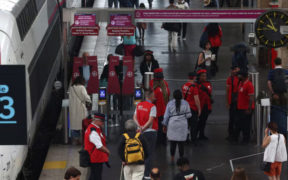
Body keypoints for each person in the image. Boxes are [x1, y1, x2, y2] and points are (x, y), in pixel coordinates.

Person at [133, 90, 157, 179]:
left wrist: (139, 127)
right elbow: (151, 120)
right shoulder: (152, 106)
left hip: (139, 132)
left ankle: (139, 173)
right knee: (149, 154)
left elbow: (134, 117)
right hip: (150, 132)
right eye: (154, 95)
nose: (155, 97)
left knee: (140, 153)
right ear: (150, 96)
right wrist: (144, 128)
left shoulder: (139, 105)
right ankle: (146, 175)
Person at [163, 90, 192, 162]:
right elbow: (189, 115)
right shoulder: (186, 103)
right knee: (181, 143)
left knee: (172, 143)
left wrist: (164, 125)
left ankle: (172, 158)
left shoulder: (170, 103)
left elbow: (166, 116)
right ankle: (181, 158)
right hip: (182, 125)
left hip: (172, 124)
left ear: (173, 96)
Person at [84, 113, 110, 180]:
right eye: (102, 121)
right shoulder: (93, 131)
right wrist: (107, 151)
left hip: (95, 157)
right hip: (95, 158)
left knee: (93, 175)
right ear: (96, 121)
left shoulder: (94, 128)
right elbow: (99, 146)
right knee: (96, 176)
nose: (103, 123)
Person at [267, 57, 288, 139]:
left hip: (275, 95)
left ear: (274, 63)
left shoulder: (272, 72)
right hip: (285, 95)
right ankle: (284, 131)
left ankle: (275, 131)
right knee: (285, 111)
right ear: (281, 63)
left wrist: (273, 93)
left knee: (275, 112)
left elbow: (269, 83)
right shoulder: (286, 71)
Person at [69, 76, 91, 145]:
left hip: (73, 109)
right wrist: (89, 100)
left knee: (75, 125)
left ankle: (76, 140)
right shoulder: (82, 87)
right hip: (80, 108)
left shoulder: (71, 88)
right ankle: (83, 140)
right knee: (82, 124)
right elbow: (85, 96)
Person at [233, 71, 254, 144]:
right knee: (239, 123)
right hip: (240, 107)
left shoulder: (249, 85)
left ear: (244, 77)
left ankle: (246, 139)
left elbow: (251, 98)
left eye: (240, 76)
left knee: (246, 125)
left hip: (246, 108)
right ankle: (236, 138)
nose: (239, 77)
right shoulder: (241, 83)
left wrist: (249, 108)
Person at [182, 72, 201, 144]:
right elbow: (196, 99)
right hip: (192, 108)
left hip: (185, 108)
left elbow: (183, 97)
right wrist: (199, 109)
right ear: (194, 77)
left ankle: (186, 139)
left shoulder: (184, 85)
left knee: (186, 124)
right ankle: (194, 139)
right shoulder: (194, 87)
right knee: (193, 125)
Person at [152, 68, 170, 145]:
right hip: (165, 110)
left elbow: (152, 99)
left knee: (158, 127)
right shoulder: (165, 85)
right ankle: (164, 141)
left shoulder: (155, 88)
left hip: (156, 111)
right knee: (164, 126)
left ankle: (158, 141)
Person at [196, 69, 212, 140]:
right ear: (199, 77)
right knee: (199, 122)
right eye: (203, 76)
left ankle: (201, 135)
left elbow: (209, 93)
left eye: (205, 76)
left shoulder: (208, 84)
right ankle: (195, 134)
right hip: (199, 106)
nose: (204, 77)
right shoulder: (196, 85)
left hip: (206, 106)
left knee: (203, 121)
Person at [226, 66, 240, 141]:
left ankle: (235, 135)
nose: (235, 72)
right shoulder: (230, 79)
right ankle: (231, 134)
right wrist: (228, 103)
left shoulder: (240, 79)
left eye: (236, 70)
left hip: (238, 102)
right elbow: (228, 91)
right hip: (233, 102)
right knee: (232, 119)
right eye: (234, 70)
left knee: (236, 119)